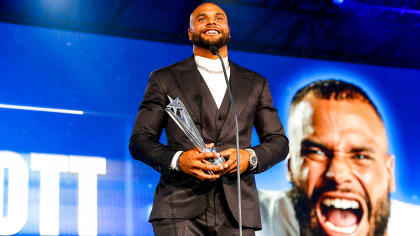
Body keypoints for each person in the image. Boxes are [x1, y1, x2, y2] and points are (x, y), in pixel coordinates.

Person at [129, 2, 289, 235]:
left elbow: (279, 142)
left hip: (238, 212)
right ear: (190, 33)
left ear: (228, 31)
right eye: (202, 19)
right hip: (179, 205)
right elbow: (140, 141)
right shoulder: (165, 78)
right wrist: (178, 160)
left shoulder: (255, 83)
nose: (211, 21)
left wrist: (249, 157)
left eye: (219, 18)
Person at [258, 79, 420, 236]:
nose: (338, 174)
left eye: (361, 156)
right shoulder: (249, 219)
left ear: (389, 174)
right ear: (291, 168)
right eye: (317, 153)